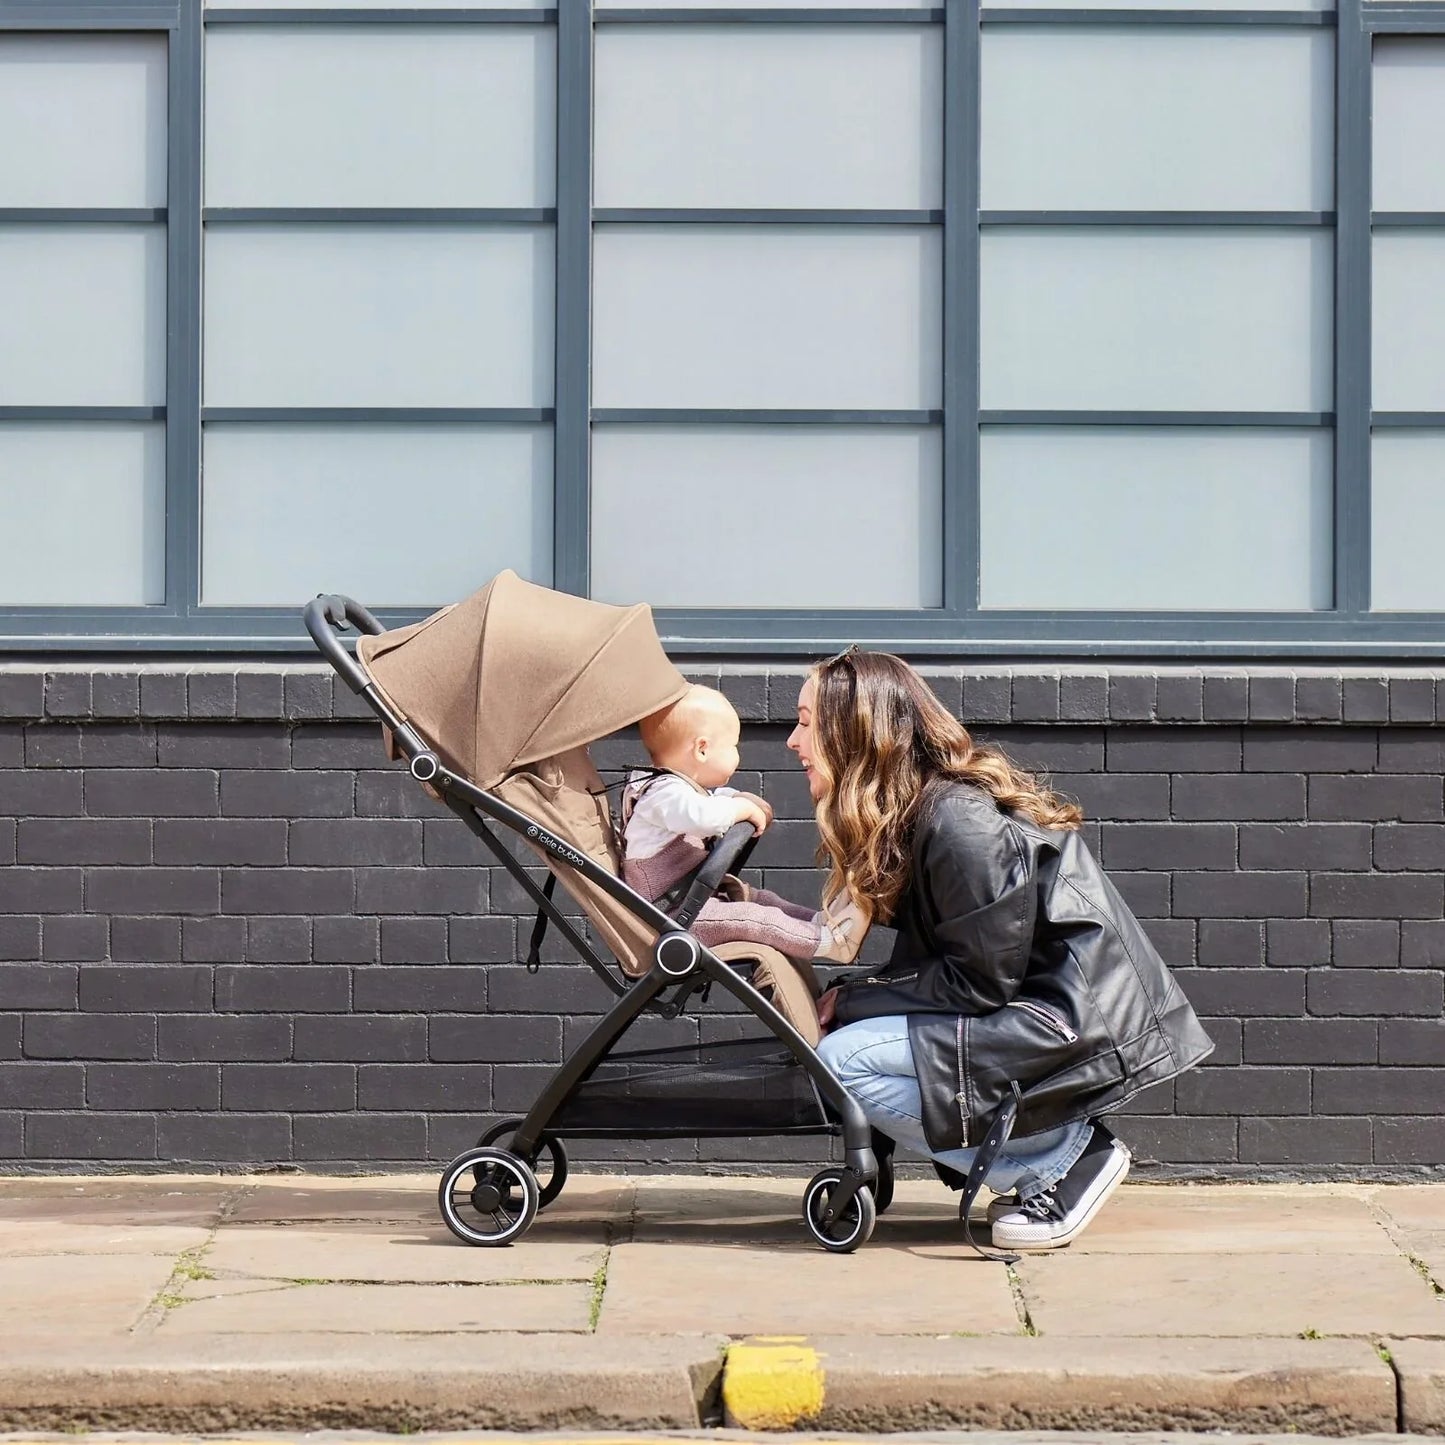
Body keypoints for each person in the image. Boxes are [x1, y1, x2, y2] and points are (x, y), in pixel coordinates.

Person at [791, 650, 1213, 1254]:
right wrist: (858, 992)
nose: (791, 740)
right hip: (1032, 1003)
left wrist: (857, 1002)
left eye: (805, 721)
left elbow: (979, 983)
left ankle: (1066, 1159)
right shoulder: (923, 813)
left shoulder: (958, 824)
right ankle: (1044, 1153)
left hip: (1064, 1020)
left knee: (844, 1060)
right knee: (846, 1045)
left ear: (853, 730)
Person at [622, 684, 867, 964]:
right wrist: (741, 808)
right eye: (733, 746)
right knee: (753, 918)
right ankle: (826, 942)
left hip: (687, 900)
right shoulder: (663, 794)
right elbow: (703, 816)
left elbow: (705, 802)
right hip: (674, 915)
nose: (738, 756)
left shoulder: (676, 789)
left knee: (760, 899)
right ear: (702, 749)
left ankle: (817, 921)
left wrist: (737, 798)